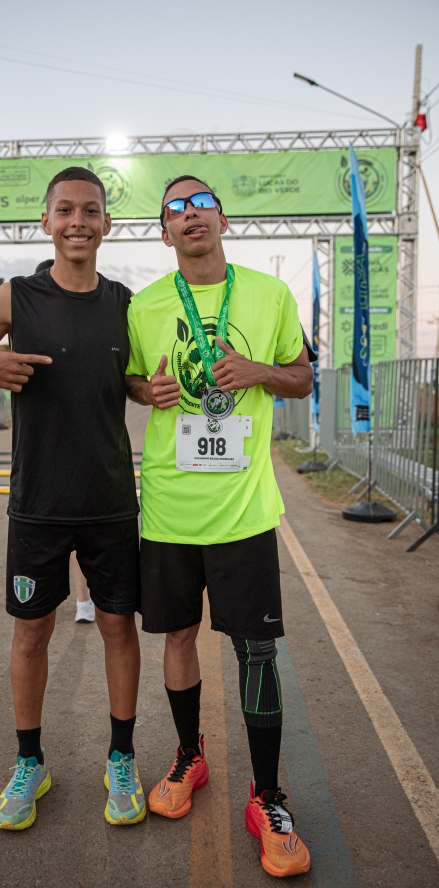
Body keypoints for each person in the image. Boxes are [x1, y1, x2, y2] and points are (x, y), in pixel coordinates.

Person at [0, 167, 145, 830]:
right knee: (32, 630)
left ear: (106, 223)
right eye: (65, 210)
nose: (78, 222)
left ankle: (121, 758)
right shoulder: (16, 298)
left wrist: (155, 390)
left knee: (118, 626)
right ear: (46, 222)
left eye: (90, 210)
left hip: (110, 498)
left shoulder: (124, 303)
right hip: (38, 501)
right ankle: (30, 762)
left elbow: (133, 382)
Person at [125, 176, 313, 877]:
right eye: (174, 209)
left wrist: (259, 370)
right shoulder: (144, 306)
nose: (189, 214)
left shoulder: (269, 294)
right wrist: (147, 389)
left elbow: (301, 377)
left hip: (243, 510)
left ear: (223, 219)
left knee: (255, 649)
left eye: (199, 202)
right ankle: (189, 756)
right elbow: (131, 381)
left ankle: (267, 796)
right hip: (170, 508)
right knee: (177, 636)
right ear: (164, 233)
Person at [35, 259, 95, 625]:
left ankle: (86, 602)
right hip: (46, 475)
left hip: (90, 467)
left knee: (80, 543)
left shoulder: (92, 327)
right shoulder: (32, 332)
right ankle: (83, 602)